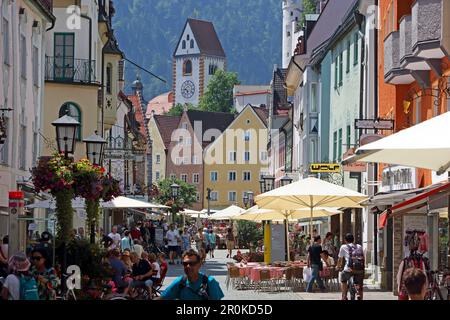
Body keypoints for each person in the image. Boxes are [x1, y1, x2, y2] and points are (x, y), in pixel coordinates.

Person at [160, 249, 224, 300]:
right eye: (185, 264)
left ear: (199, 265)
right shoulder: (180, 282)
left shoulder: (210, 282)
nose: (188, 266)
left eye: (192, 263)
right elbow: (162, 298)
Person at [337, 233, 365, 300]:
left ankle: (344, 296)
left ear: (345, 240)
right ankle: (359, 294)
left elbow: (340, 259)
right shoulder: (359, 246)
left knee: (343, 279)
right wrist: (363, 267)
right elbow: (363, 258)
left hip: (349, 269)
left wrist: (338, 266)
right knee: (360, 285)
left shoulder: (343, 247)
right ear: (353, 239)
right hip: (359, 269)